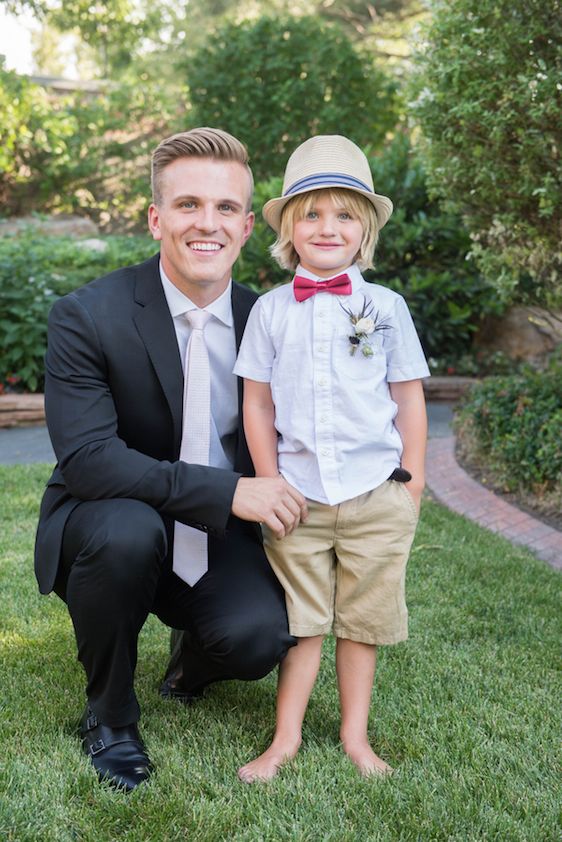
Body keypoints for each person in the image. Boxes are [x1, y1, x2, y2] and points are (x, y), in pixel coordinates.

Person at [34, 127, 307, 792]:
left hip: (218, 535)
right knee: (127, 532)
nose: (205, 224)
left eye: (223, 209)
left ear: (246, 227)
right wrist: (228, 491)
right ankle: (111, 717)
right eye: (187, 205)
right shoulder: (86, 316)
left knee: (256, 638)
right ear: (157, 219)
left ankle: (193, 658)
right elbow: (91, 462)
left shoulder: (273, 322)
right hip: (111, 522)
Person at [232, 135, 430, 782]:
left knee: (362, 624)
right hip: (300, 497)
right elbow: (256, 405)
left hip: (376, 493)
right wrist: (268, 480)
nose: (327, 226)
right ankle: (284, 738)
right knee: (305, 624)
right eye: (312, 213)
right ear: (289, 226)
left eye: (344, 214)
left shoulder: (387, 309)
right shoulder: (268, 312)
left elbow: (408, 401)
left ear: (364, 230)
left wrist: (414, 485)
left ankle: (354, 738)